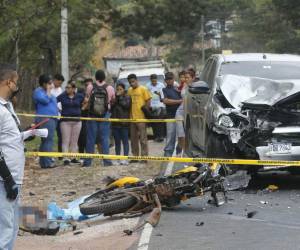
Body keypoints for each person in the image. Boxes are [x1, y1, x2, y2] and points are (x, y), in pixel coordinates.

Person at [0, 64, 25, 249]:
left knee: (13, 226)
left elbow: (8, 137)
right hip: (4, 179)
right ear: (8, 82)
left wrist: (26, 136)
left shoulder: (7, 106)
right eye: (16, 82)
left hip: (16, 176)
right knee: (5, 228)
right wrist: (7, 179)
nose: (17, 86)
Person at [83, 70, 115, 167]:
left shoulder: (90, 86)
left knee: (90, 139)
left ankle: (88, 162)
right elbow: (113, 100)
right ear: (104, 77)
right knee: (104, 138)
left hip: (92, 115)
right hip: (105, 115)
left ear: (95, 77)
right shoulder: (109, 88)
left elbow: (87, 99)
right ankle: (106, 161)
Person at [33, 74, 58, 168]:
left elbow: (54, 102)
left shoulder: (49, 93)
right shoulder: (38, 92)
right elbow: (45, 101)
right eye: (49, 83)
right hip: (45, 118)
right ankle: (47, 162)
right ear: (43, 83)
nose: (51, 85)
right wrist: (48, 90)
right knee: (47, 140)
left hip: (52, 118)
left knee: (47, 140)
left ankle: (44, 162)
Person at [57, 80, 84, 166]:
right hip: (65, 121)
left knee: (74, 141)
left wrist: (82, 109)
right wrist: (58, 110)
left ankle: (74, 158)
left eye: (68, 88)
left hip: (77, 121)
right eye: (66, 87)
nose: (66, 89)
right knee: (65, 140)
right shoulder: (62, 96)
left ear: (73, 89)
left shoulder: (79, 96)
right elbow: (54, 101)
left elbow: (87, 101)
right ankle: (65, 158)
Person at [127, 74, 151, 163]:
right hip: (132, 118)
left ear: (137, 80)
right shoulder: (129, 91)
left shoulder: (143, 89)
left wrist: (146, 113)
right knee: (133, 139)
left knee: (143, 139)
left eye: (133, 82)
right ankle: (135, 157)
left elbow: (148, 101)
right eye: (130, 82)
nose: (132, 84)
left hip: (141, 118)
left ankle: (144, 157)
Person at [175, 69, 196, 156]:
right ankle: (183, 152)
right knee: (180, 133)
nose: (185, 79)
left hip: (191, 112)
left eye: (187, 78)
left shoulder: (196, 87)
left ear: (193, 78)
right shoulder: (184, 86)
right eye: (185, 77)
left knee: (190, 134)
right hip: (181, 111)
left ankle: (188, 151)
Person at [162, 72, 183, 157]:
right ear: (165, 80)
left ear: (174, 79)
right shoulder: (164, 90)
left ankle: (179, 151)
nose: (169, 80)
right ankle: (168, 154)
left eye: (171, 79)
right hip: (170, 116)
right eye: (168, 79)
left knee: (182, 135)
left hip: (181, 115)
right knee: (170, 136)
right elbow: (166, 101)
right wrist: (179, 101)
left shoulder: (178, 89)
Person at [111, 83, 131, 165]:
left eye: (120, 89)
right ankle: (118, 158)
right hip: (115, 123)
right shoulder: (114, 98)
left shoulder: (127, 97)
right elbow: (111, 107)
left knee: (125, 141)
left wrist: (119, 98)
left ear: (124, 90)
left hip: (124, 123)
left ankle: (125, 158)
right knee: (117, 142)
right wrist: (115, 99)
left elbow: (126, 106)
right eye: (117, 89)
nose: (118, 91)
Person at [146, 74, 166, 142]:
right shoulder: (147, 86)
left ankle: (161, 136)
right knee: (154, 122)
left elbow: (163, 95)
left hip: (160, 105)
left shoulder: (161, 85)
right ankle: (156, 136)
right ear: (150, 80)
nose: (154, 82)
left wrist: (159, 94)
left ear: (156, 80)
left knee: (160, 122)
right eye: (152, 81)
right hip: (152, 106)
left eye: (155, 81)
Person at [51, 73, 65, 155]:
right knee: (51, 136)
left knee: (61, 136)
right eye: (59, 83)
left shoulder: (60, 90)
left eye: (61, 84)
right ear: (55, 80)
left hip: (59, 116)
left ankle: (60, 154)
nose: (60, 85)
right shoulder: (49, 88)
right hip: (51, 116)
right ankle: (49, 155)